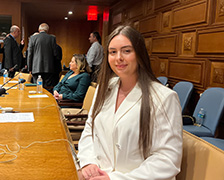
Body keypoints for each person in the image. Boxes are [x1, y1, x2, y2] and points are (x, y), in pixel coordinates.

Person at [77, 26, 183, 179]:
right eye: (113, 52)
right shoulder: (104, 89)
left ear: (139, 54)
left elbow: (167, 159)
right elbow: (90, 129)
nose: (118, 57)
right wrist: (89, 162)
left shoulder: (164, 97)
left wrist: (114, 178)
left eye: (126, 51)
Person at [27, 23, 58, 90]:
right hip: (49, 68)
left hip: (36, 68)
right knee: (47, 89)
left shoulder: (33, 38)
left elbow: (30, 54)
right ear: (47, 30)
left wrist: (30, 68)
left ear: (39, 29)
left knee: (37, 88)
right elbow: (55, 54)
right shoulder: (52, 38)